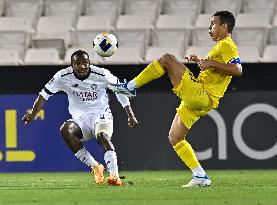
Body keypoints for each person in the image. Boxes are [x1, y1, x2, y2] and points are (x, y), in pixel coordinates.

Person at [108, 11, 242, 187]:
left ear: (224, 26)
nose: (209, 28)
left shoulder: (227, 44)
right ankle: (200, 175)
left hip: (201, 94)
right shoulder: (220, 46)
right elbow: (216, 71)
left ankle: (130, 87)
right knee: (175, 137)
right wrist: (202, 61)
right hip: (202, 100)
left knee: (167, 59)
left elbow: (237, 69)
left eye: (213, 24)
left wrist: (211, 63)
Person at [22, 50, 138, 186]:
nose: (82, 66)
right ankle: (96, 167)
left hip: (101, 115)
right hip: (80, 120)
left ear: (89, 63)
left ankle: (114, 176)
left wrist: (130, 114)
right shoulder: (62, 76)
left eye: (85, 63)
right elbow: (44, 94)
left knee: (102, 136)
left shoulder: (102, 74)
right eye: (78, 63)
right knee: (65, 129)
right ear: (72, 65)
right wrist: (33, 114)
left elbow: (120, 90)